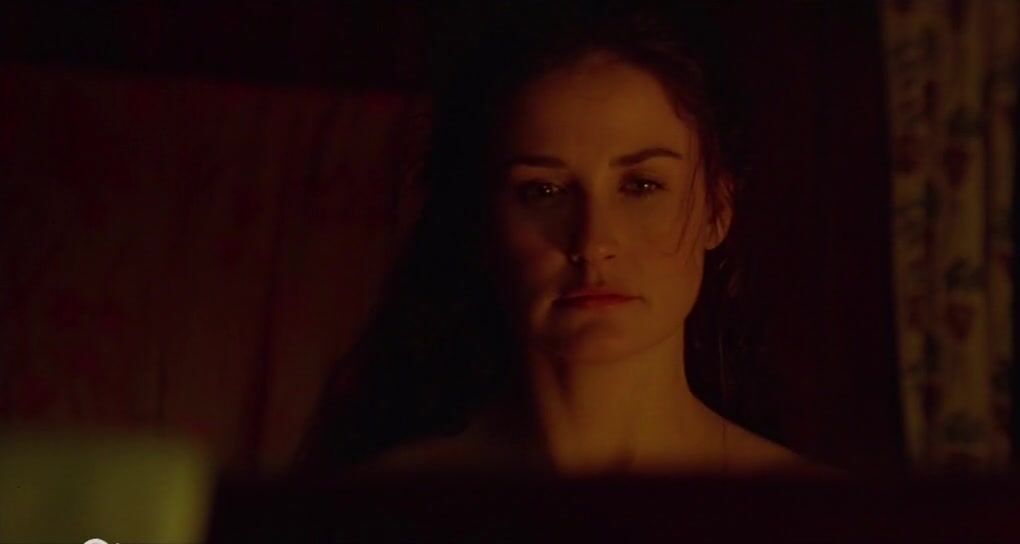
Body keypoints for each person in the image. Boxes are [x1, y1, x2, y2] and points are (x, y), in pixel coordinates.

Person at [295, 1, 837, 479]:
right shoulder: (387, 510)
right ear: (480, 218)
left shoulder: (808, 518)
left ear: (717, 210)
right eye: (544, 191)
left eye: (642, 186)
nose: (593, 240)